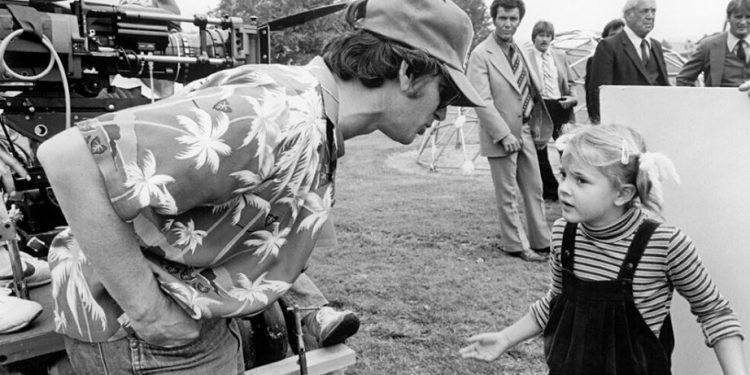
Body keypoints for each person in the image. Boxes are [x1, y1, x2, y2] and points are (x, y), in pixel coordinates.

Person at [34, 0, 483, 373]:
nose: (442, 114)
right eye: (444, 93)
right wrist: (149, 311)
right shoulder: (277, 116)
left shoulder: (312, 117)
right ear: (407, 72)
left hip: (182, 320)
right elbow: (70, 159)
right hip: (149, 338)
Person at [0, 0, 360, 355]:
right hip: (140, 324)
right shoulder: (274, 109)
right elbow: (67, 157)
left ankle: (313, 311)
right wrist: (150, 313)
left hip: (191, 301)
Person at [460, 124, 748, 374]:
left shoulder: (665, 244)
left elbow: (714, 312)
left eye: (581, 180)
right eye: (564, 175)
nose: (564, 188)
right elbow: (557, 301)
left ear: (622, 194)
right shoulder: (563, 234)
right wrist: (506, 338)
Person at [467, 0, 553, 263]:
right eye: (503, 18)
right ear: (494, 18)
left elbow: (532, 91)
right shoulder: (481, 54)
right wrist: (503, 134)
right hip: (502, 135)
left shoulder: (521, 50)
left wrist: (538, 128)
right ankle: (516, 245)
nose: (508, 24)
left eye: (513, 19)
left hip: (527, 130)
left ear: (519, 20)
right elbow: (481, 100)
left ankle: (543, 242)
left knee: (534, 189)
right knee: (507, 194)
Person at [587, 0, 670, 124]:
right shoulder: (609, 46)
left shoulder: (656, 46)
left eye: (653, 11)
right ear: (628, 15)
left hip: (655, 125)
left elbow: (664, 89)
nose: (650, 16)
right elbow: (599, 95)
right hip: (622, 128)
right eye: (644, 11)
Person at [525, 20, 577, 202]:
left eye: (548, 35)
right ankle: (550, 191)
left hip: (560, 106)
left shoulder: (559, 56)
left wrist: (572, 98)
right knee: (540, 151)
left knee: (567, 149)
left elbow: (570, 83)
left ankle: (572, 187)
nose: (544, 39)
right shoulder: (526, 56)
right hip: (540, 108)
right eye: (541, 35)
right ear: (534, 38)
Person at [676, 0, 750, 87]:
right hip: (720, 100)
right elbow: (683, 79)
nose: (743, 22)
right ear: (728, 18)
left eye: (748, 17)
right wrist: (699, 98)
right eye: (738, 17)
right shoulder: (708, 46)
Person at [585, 18, 625, 122]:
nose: (617, 39)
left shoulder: (633, 62)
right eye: (613, 35)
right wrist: (595, 120)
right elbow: (591, 95)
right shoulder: (594, 61)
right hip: (606, 117)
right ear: (605, 39)